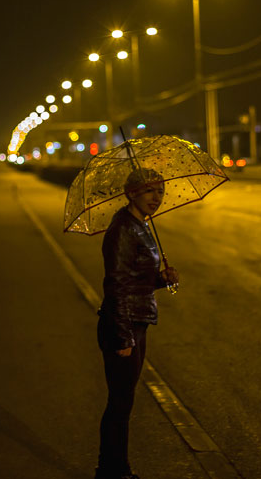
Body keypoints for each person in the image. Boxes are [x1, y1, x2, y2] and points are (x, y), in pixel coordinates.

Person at [94, 167, 179, 479]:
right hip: (124, 324)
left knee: (124, 401)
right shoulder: (122, 230)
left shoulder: (140, 225)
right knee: (119, 402)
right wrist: (123, 338)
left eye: (161, 191)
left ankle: (115, 469)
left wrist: (160, 278)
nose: (157, 198)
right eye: (150, 191)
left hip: (136, 320)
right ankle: (112, 470)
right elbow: (115, 285)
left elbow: (134, 279)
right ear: (132, 193)